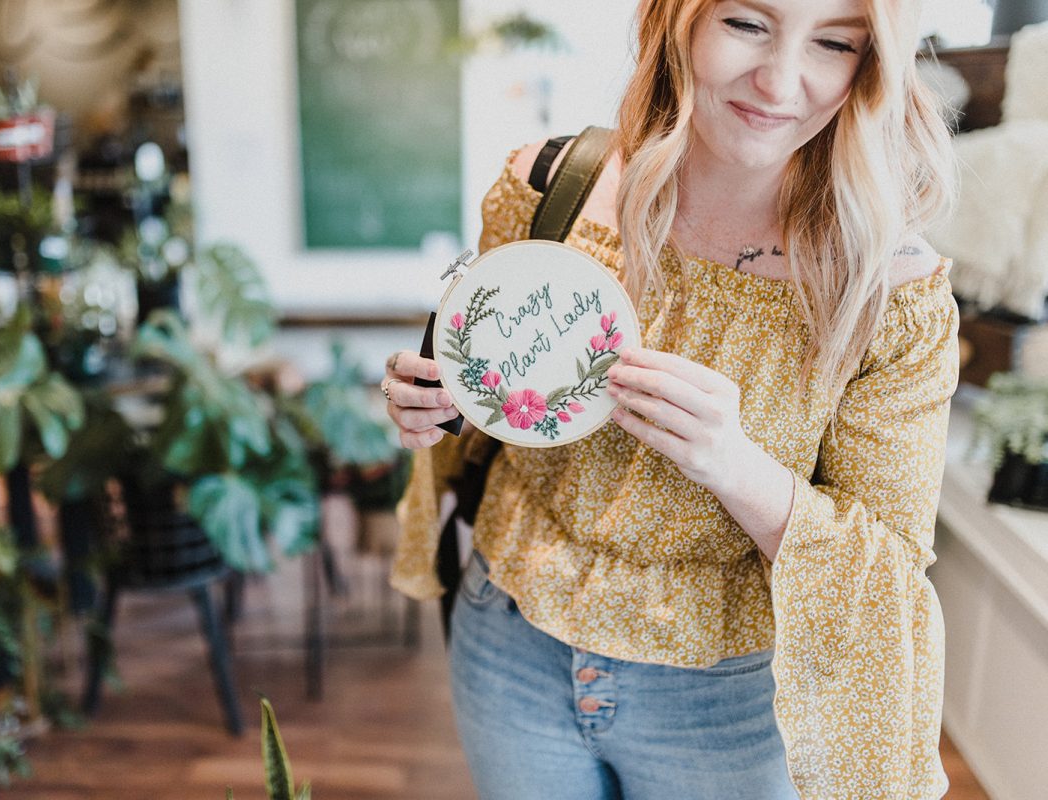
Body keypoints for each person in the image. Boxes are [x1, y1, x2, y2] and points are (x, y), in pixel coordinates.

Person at [383, 0, 958, 797]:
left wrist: (733, 464)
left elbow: (888, 574)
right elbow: (488, 392)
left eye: (833, 43)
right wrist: (430, 402)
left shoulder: (886, 291)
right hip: (510, 628)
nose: (780, 79)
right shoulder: (547, 188)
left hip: (727, 694)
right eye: (748, 24)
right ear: (676, 20)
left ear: (870, 70)